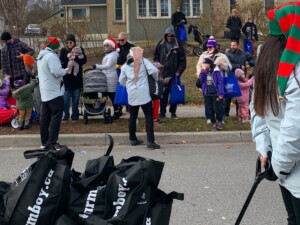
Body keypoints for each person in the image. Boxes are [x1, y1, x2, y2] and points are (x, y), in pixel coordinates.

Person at [251, 2, 300, 224]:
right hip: (290, 167)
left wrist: (267, 153)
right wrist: (271, 157)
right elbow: (295, 127)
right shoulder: (292, 63)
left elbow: (258, 111)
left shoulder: (265, 54)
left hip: (283, 165)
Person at [119, 47, 160, 149]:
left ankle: (133, 139)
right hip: (144, 94)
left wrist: (129, 85)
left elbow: (121, 81)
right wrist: (155, 79)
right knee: (148, 117)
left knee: (133, 116)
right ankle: (150, 141)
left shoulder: (125, 66)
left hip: (132, 94)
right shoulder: (144, 61)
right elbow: (154, 70)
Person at [37, 37, 68, 150]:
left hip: (44, 91)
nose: (58, 48)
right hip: (54, 91)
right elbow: (56, 72)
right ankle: (52, 142)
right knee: (56, 116)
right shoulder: (51, 56)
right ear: (54, 47)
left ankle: (44, 142)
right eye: (57, 46)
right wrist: (66, 70)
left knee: (45, 117)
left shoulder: (41, 56)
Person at [196, 36, 231, 124]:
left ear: (215, 47)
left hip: (218, 82)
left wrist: (222, 65)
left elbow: (230, 67)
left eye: (210, 47)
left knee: (219, 102)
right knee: (208, 101)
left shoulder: (222, 56)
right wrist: (200, 74)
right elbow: (198, 66)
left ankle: (220, 118)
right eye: (207, 47)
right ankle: (209, 117)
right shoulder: (203, 56)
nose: (208, 48)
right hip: (207, 82)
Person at [153, 26, 186, 119]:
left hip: (174, 73)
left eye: (171, 36)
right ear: (165, 36)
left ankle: (173, 112)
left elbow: (183, 60)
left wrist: (179, 71)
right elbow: (155, 56)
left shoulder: (178, 44)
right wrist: (158, 65)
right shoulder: (160, 44)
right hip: (163, 73)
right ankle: (162, 112)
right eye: (168, 36)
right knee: (163, 94)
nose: (169, 38)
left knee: (174, 93)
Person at [91, 38, 121, 119]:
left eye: (107, 45)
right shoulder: (109, 55)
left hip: (111, 78)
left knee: (112, 96)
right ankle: (100, 108)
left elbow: (107, 66)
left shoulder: (112, 56)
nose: (105, 47)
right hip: (106, 77)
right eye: (104, 45)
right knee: (104, 94)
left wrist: (96, 66)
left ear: (112, 46)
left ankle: (117, 111)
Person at [60, 34, 87, 122]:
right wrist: (67, 62)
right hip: (67, 78)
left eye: (70, 42)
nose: (69, 44)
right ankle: (66, 115)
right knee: (66, 99)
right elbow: (61, 62)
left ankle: (75, 115)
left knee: (76, 99)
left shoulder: (79, 49)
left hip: (77, 78)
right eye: (67, 42)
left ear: (74, 42)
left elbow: (83, 60)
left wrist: (75, 58)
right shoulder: (63, 51)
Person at [225, 40, 255, 117]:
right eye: (231, 45)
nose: (232, 47)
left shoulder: (243, 54)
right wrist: (239, 66)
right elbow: (228, 64)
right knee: (229, 95)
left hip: (241, 78)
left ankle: (240, 113)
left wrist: (250, 64)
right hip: (231, 77)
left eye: (234, 45)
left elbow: (253, 59)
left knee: (241, 96)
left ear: (237, 46)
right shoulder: (228, 54)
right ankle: (226, 113)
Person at [199, 57, 224, 131]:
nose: (204, 64)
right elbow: (202, 80)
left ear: (209, 64)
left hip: (215, 93)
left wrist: (221, 93)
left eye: (205, 63)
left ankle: (219, 121)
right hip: (207, 93)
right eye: (204, 63)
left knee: (217, 108)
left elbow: (220, 82)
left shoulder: (216, 71)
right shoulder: (205, 71)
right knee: (210, 109)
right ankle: (213, 123)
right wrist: (202, 71)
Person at [23, 54, 41, 123]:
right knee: (37, 101)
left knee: (40, 101)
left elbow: (44, 74)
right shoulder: (27, 67)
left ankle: (41, 116)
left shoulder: (38, 65)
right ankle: (38, 116)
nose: (27, 66)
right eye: (26, 64)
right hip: (36, 84)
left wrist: (38, 79)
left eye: (28, 64)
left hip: (43, 84)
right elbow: (26, 78)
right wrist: (25, 87)